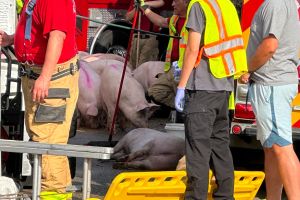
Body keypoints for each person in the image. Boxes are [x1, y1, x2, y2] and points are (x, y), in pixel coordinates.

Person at [0, 0, 79, 199]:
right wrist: (11, 39)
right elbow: (36, 28)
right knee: (42, 137)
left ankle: (54, 195)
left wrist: (45, 76)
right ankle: (57, 192)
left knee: (48, 143)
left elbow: (57, 36)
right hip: (40, 76)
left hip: (53, 81)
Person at [174, 0, 248, 199]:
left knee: (198, 151)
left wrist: (181, 85)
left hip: (201, 89)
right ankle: (225, 196)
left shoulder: (199, 5)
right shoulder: (227, 5)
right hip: (223, 88)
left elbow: (192, 48)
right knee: (220, 148)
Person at [240, 0, 300, 199]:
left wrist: (247, 68)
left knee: (281, 147)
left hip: (272, 84)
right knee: (271, 148)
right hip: (273, 83)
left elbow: (270, 46)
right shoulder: (283, 3)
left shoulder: (275, 3)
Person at [141, 0, 188, 109]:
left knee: (182, 94)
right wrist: (145, 9)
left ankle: (186, 112)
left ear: (186, 2)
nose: (172, 5)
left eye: (175, 2)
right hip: (174, 68)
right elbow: (161, 21)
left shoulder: (194, 20)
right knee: (155, 91)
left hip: (186, 68)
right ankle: (184, 108)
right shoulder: (175, 19)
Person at [126, 0, 165, 69]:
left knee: (144, 68)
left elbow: (161, 2)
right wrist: (137, 7)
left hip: (150, 38)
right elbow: (127, 17)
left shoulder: (152, 1)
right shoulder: (136, 1)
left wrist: (145, 4)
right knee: (131, 66)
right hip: (136, 37)